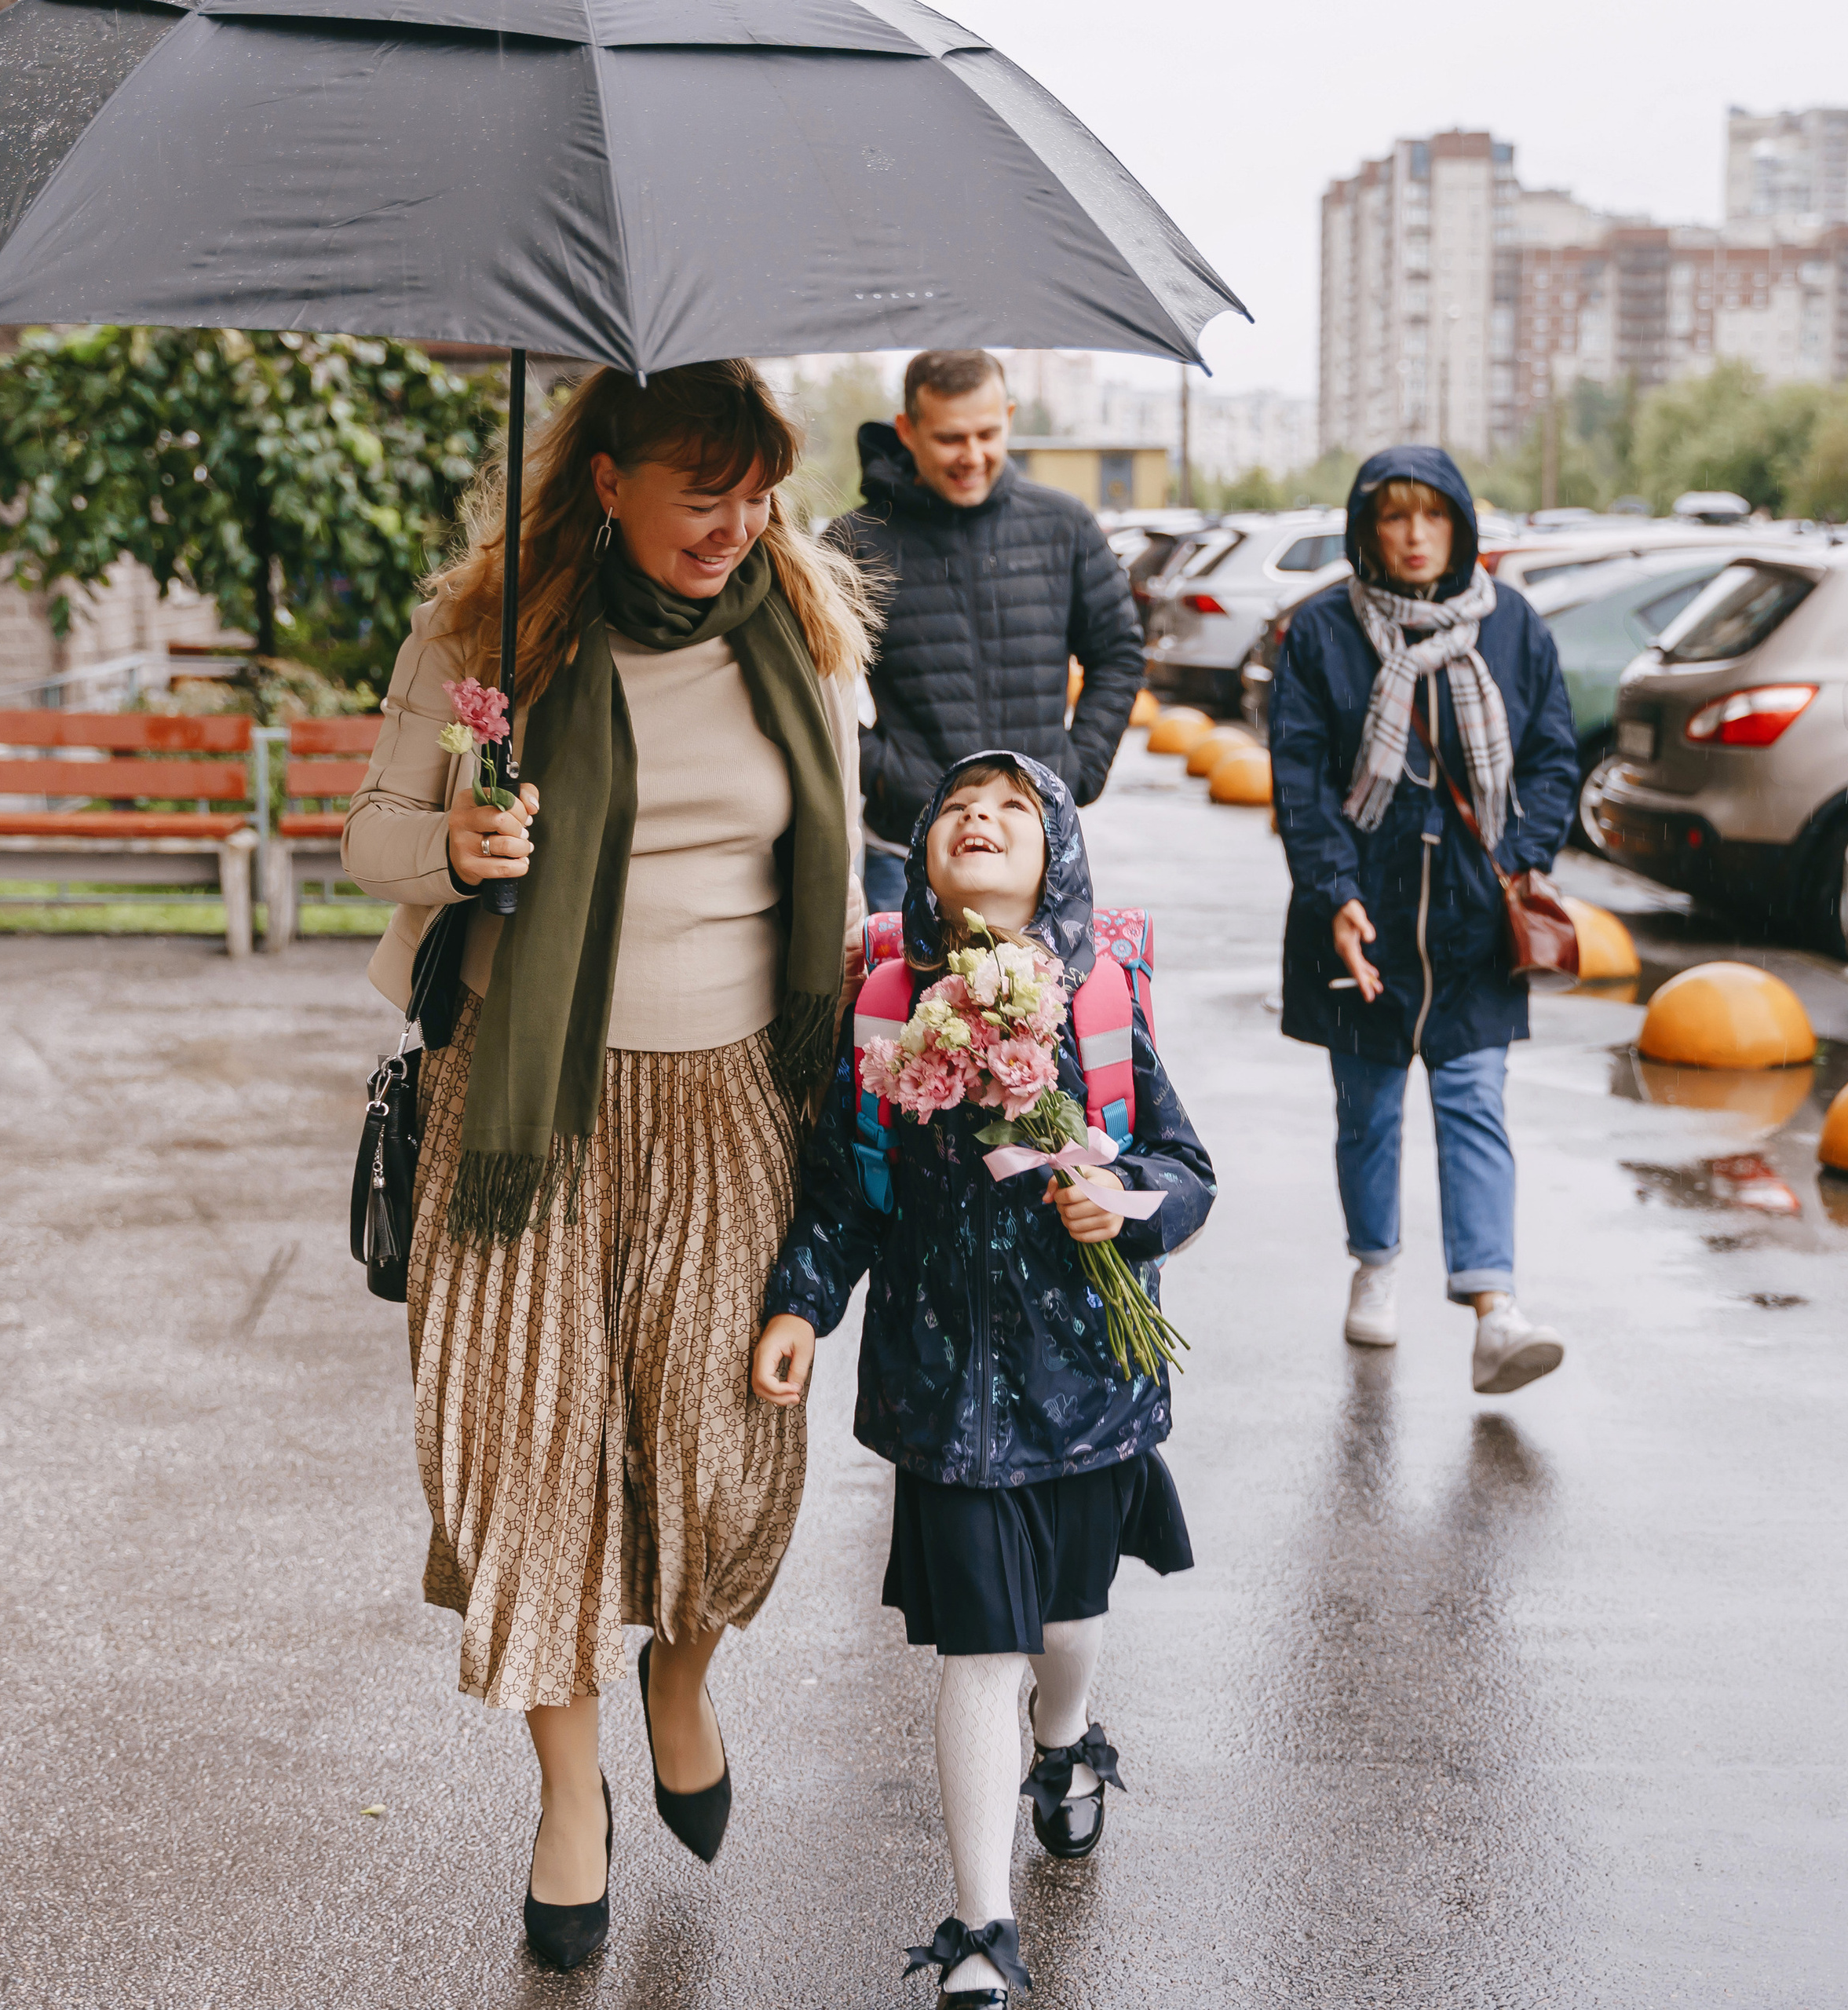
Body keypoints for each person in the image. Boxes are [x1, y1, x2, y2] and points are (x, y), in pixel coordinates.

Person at [340, 360, 875, 1969]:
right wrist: (453, 845)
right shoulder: (486, 634)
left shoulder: (805, 634)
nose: (737, 521)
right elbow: (365, 828)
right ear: (608, 481)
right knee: (524, 1454)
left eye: (756, 484)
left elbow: (840, 865)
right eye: (700, 487)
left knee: (719, 1462)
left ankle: (683, 1675)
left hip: (731, 1108)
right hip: (520, 1109)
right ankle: (567, 1796)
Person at [753, 752, 1215, 2007]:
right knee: (979, 1653)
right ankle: (979, 1927)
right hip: (945, 1397)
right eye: (959, 808)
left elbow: (1186, 1166)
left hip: (1083, 1388)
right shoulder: (889, 1005)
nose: (982, 820)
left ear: (1057, 857)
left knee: (1064, 1628)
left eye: (1015, 811)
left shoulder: (1101, 999)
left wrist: (1126, 1206)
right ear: (925, 857)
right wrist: (802, 1303)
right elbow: (848, 1188)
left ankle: (1065, 1744)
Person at [1269, 445, 1579, 1395]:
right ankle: (1375, 1264)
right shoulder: (1323, 629)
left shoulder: (1511, 625)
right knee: (1367, 1112)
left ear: (1458, 527)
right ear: (1366, 527)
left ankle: (1494, 1310)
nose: (1411, 537)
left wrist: (1520, 857)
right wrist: (1335, 893)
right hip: (1360, 910)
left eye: (1430, 517)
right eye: (1393, 518)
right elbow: (1301, 776)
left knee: (1474, 1101)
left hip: (1473, 921)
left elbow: (1552, 755)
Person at [828, 349, 1145, 915]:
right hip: (905, 853)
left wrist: (1078, 769)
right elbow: (808, 679)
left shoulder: (1063, 525)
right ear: (908, 430)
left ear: (1010, 417)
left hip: (1037, 855)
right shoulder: (856, 543)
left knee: (1034, 1007)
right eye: (951, 438)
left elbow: (1118, 654)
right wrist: (883, 773)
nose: (972, 456)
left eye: (987, 434)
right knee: (898, 1007)